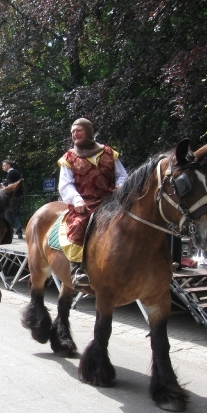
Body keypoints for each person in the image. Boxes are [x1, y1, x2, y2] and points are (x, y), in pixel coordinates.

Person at [58, 118, 128, 290]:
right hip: (85, 202)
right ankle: (77, 269)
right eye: (73, 132)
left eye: (78, 131)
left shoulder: (109, 152)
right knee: (78, 224)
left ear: (88, 131)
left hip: (111, 199)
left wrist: (121, 186)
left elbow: (121, 175)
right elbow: (65, 184)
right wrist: (77, 200)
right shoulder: (69, 157)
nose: (74, 135)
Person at [1, 159, 24, 239]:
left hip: (12, 197)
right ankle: (19, 232)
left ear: (8, 165)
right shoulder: (17, 172)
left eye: (4, 165)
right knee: (17, 214)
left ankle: (9, 232)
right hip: (18, 196)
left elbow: (11, 187)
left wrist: (3, 187)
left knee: (8, 214)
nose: (2, 167)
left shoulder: (10, 174)